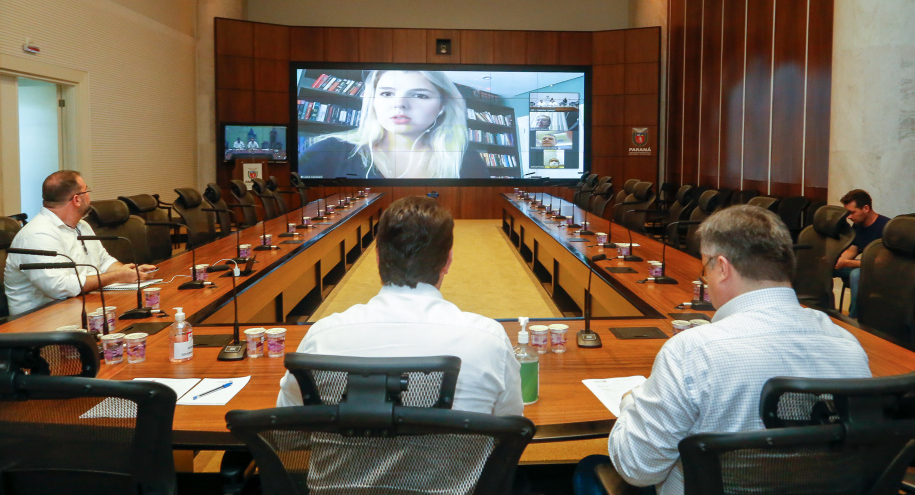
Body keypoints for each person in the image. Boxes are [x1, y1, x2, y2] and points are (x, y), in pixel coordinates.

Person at [574, 205, 871, 495]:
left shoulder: (692, 351)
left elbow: (637, 469)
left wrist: (631, 402)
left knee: (590, 469)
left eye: (706, 268)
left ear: (723, 268)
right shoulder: (847, 345)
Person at [277, 195, 522, 415]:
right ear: (447, 262)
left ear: (378, 258)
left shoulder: (322, 338)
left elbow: (285, 433)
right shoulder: (489, 341)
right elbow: (510, 426)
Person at [4, 170, 157, 316]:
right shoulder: (38, 234)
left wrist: (130, 271)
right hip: (39, 326)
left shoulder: (81, 226)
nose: (89, 195)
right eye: (87, 190)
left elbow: (103, 261)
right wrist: (116, 276)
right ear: (77, 199)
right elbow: (60, 287)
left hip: (78, 308)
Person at [299, 70, 488, 179]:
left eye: (420, 95)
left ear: (442, 105)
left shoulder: (466, 160)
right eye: (387, 94)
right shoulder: (325, 153)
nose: (400, 104)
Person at [834, 189, 890, 318]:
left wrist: (847, 263)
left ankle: (854, 319)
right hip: (865, 266)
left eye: (852, 212)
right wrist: (839, 260)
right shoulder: (858, 225)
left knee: (855, 274)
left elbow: (879, 263)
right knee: (828, 266)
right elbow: (853, 249)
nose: (849, 217)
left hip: (881, 271)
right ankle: (825, 310)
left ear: (866, 208)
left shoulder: (886, 227)